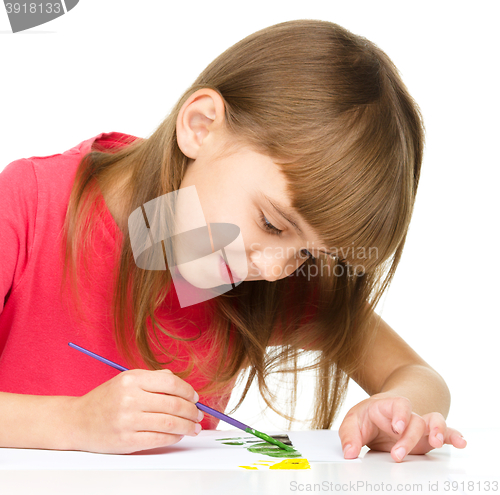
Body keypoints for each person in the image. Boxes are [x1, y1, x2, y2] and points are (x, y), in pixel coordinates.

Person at [0, 19, 466, 461]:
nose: (275, 268)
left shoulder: (258, 276)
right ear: (200, 127)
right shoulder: (31, 204)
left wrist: (399, 412)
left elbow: (419, 377)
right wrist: (74, 422)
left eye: (308, 253)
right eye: (271, 223)